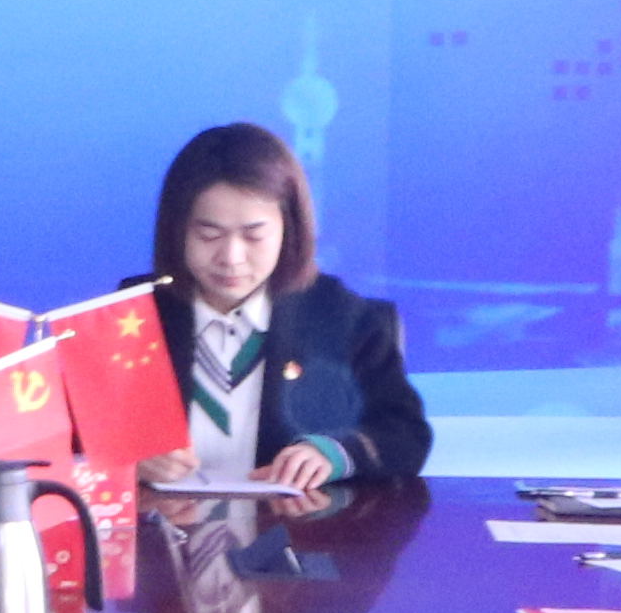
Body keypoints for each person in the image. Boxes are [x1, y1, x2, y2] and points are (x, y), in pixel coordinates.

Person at [136, 121, 428, 499]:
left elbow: (405, 434)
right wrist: (127, 456)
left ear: (289, 229)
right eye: (209, 234)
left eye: (253, 235)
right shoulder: (133, 316)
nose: (231, 257)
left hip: (293, 528)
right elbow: (75, 433)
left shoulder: (346, 319)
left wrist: (334, 454)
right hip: (161, 528)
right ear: (176, 230)